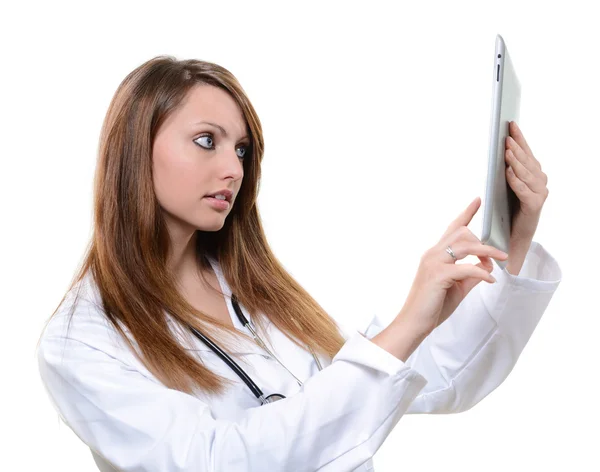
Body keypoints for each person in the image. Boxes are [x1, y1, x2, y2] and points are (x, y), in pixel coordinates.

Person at [36, 56, 562, 472]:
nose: (232, 169)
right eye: (205, 141)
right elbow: (213, 460)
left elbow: (441, 379)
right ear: (134, 149)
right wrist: (404, 328)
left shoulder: (255, 292)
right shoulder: (81, 341)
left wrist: (513, 235)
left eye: (242, 151)